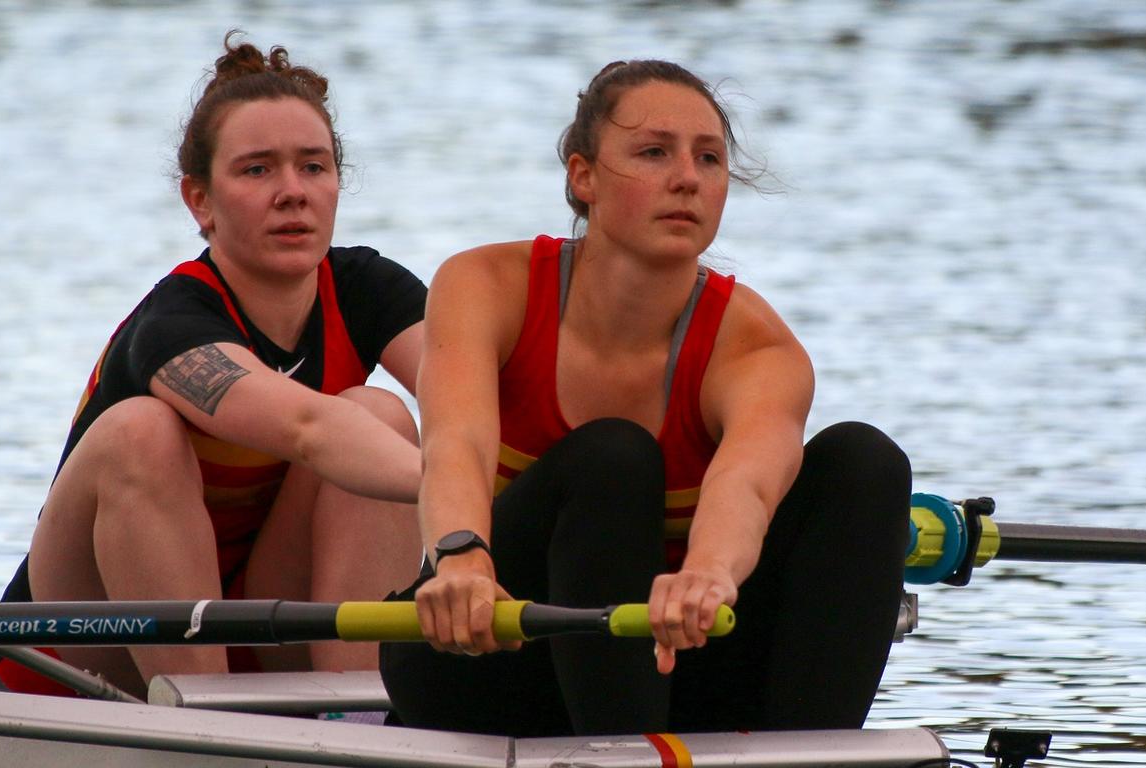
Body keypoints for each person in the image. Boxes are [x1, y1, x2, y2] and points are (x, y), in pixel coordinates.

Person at [380, 60, 911, 736]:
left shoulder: (757, 347)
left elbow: (747, 486)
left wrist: (710, 574)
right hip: (486, 655)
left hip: (670, 665)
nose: (687, 177)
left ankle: (813, 752)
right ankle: (628, 747)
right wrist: (459, 555)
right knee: (612, 455)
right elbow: (456, 442)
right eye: (655, 152)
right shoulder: (485, 284)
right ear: (584, 176)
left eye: (709, 158)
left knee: (866, 462)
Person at [0, 34, 428, 699]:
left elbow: (486, 399)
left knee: (383, 414)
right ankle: (202, 721)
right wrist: (457, 491)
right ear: (199, 201)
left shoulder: (369, 289)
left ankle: (360, 711)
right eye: (258, 170)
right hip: (88, 650)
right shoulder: (173, 323)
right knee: (141, 430)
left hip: (260, 627)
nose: (292, 192)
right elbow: (308, 426)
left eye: (313, 167)